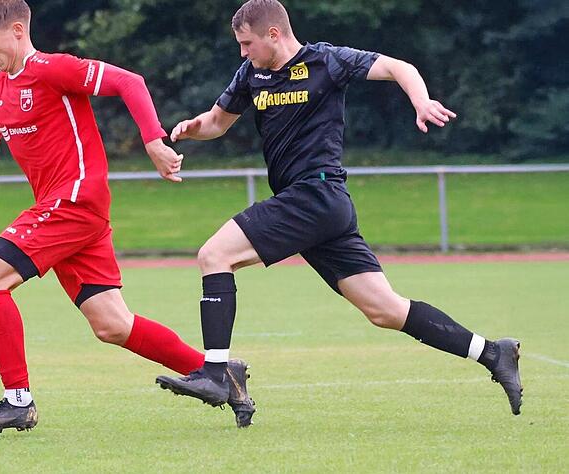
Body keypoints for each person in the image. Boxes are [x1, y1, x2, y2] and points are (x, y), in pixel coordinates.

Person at [0, 0, 255, 433]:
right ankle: (220, 374)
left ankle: (17, 402)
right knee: (112, 325)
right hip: (67, 212)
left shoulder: (53, 69)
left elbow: (129, 81)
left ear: (16, 30)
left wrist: (154, 141)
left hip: (74, 201)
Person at [156, 0, 522, 417]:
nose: (243, 52)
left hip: (315, 195)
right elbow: (218, 121)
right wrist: (191, 129)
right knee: (385, 310)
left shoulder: (328, 61)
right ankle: (493, 353)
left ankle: (218, 373)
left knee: (214, 255)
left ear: (273, 34)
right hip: (321, 208)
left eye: (247, 43)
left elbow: (399, 67)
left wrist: (420, 101)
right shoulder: (252, 74)